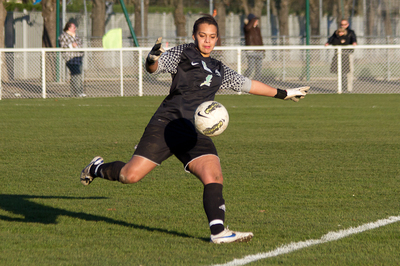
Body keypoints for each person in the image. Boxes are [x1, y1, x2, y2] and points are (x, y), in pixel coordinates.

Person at [80, 15, 309, 244]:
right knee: (129, 176)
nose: (206, 41)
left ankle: (218, 232)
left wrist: (285, 93)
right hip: (167, 125)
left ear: (217, 39)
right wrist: (151, 59)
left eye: (211, 37)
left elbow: (249, 85)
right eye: (202, 36)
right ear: (194, 36)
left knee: (213, 175)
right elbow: (155, 67)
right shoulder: (183, 53)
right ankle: (96, 167)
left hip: (194, 131)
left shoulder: (220, 70)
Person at [58, 22, 85, 97]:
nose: (75, 29)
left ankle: (74, 94)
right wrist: (71, 45)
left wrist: (77, 47)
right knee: (77, 74)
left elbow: (80, 45)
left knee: (75, 75)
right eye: (73, 27)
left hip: (78, 58)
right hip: (70, 59)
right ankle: (79, 92)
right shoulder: (63, 36)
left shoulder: (76, 36)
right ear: (69, 28)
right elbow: (63, 46)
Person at [325, 26, 355, 92]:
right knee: (339, 73)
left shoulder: (347, 37)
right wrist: (340, 41)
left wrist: (342, 42)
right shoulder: (335, 38)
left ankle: (346, 88)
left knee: (345, 73)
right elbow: (334, 42)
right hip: (337, 57)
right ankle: (340, 88)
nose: (341, 33)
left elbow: (346, 43)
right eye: (339, 32)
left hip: (345, 57)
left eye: (342, 32)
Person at [243, 13, 263, 79]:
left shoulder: (257, 29)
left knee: (258, 70)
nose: (257, 21)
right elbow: (248, 28)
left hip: (259, 51)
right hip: (251, 51)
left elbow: (260, 39)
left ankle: (257, 83)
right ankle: (242, 81)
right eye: (255, 20)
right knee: (250, 68)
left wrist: (263, 50)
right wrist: (252, 20)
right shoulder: (247, 27)